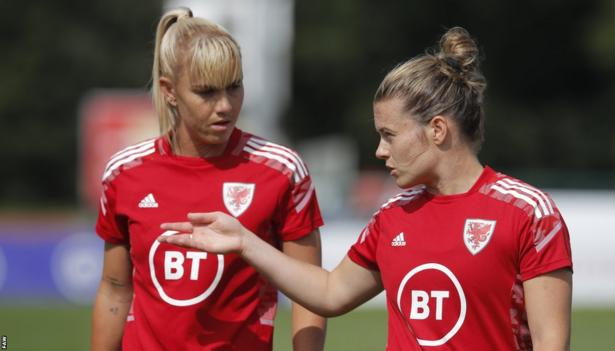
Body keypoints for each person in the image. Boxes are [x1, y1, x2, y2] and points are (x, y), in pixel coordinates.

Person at [159, 27, 573, 351]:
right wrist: (245, 243)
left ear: (438, 129)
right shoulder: (392, 217)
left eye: (390, 135)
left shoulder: (530, 214)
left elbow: (550, 344)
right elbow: (329, 292)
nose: (379, 150)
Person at [91, 7, 326, 351]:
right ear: (169, 91)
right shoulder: (124, 173)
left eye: (234, 87)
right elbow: (114, 287)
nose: (225, 106)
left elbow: (310, 293)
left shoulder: (282, 170)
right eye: (206, 92)